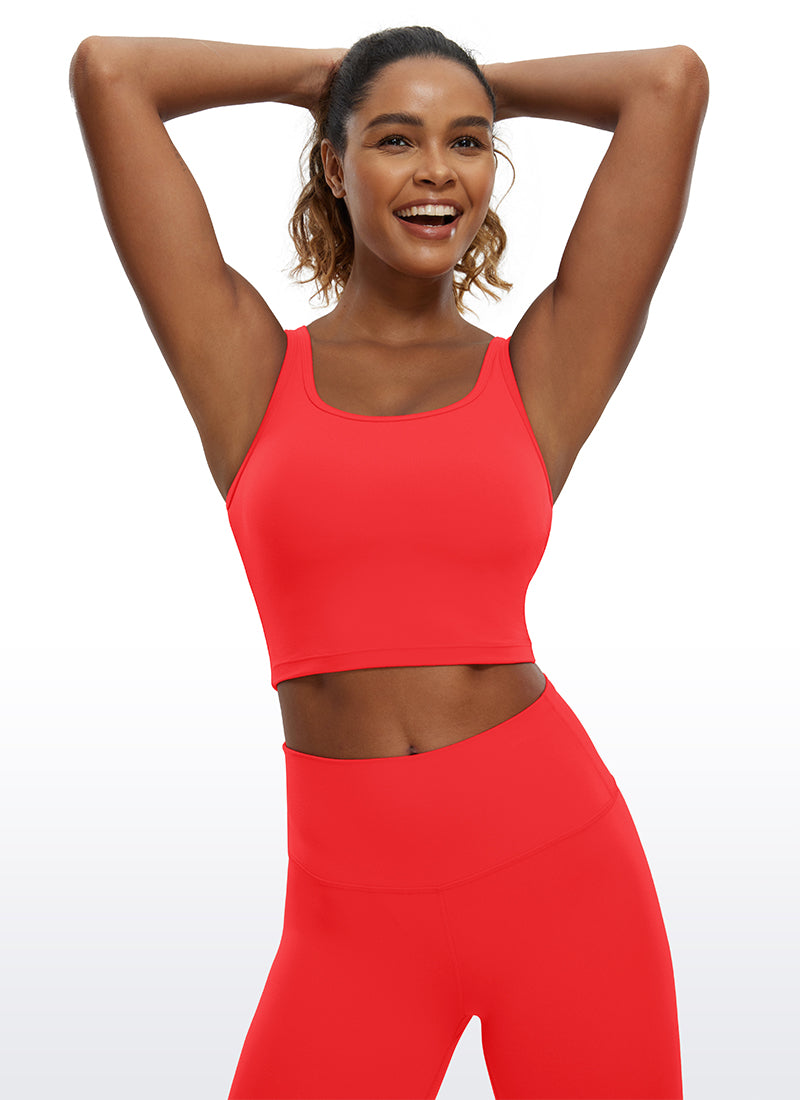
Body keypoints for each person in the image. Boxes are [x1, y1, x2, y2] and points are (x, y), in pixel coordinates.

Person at [69, 25, 708, 1099]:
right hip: (349, 911)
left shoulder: (543, 372)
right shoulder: (246, 367)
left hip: (558, 871)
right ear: (332, 164)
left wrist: (466, 88)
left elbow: (667, 82)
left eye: (467, 142)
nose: (436, 170)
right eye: (395, 140)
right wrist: (323, 80)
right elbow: (109, 73)